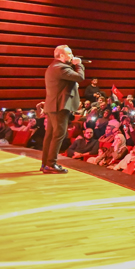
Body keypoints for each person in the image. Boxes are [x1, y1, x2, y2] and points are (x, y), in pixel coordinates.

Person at [42, 44, 85, 173]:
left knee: (50, 135)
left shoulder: (54, 67)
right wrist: (79, 65)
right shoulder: (61, 68)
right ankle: (51, 164)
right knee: (59, 135)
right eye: (69, 54)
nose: (72, 56)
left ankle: (45, 163)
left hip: (52, 105)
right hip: (59, 106)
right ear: (61, 56)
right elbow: (80, 77)